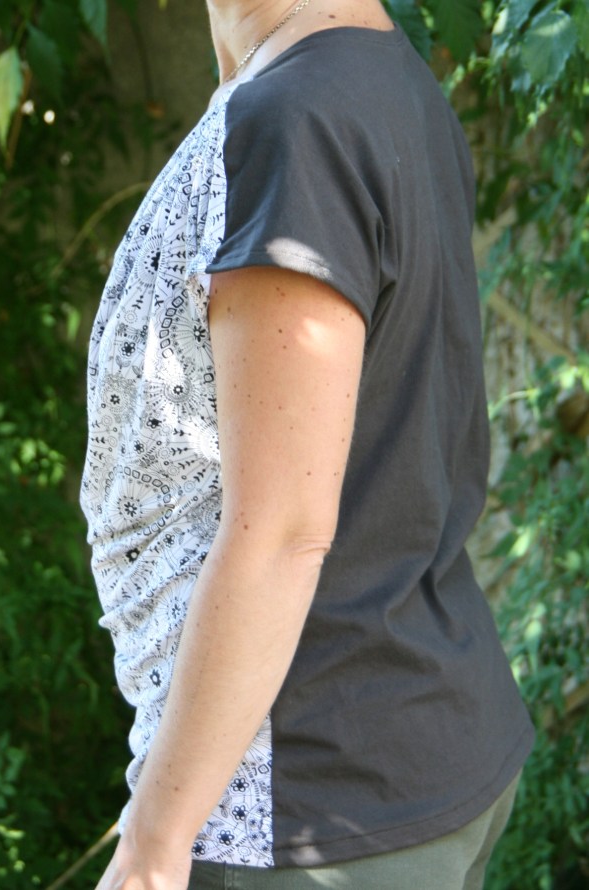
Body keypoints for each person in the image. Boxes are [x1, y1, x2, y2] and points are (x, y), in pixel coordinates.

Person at [80, 1, 535, 888]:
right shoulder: (375, 77)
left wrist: (152, 847)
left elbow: (284, 529)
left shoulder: (295, 121)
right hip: (392, 744)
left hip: (304, 790)